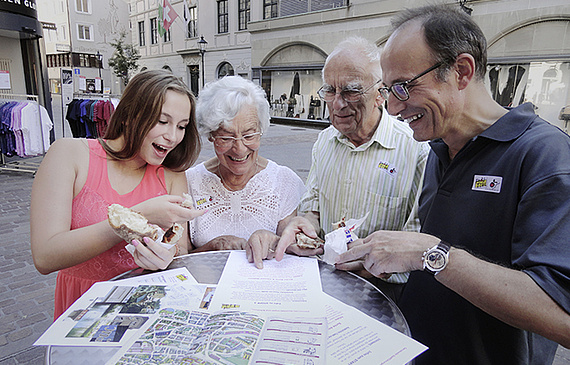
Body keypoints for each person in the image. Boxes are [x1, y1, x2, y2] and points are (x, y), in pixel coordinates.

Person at [335, 5, 570, 364]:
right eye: (388, 89)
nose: (394, 109)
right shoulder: (439, 147)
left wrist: (430, 253)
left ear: (461, 71)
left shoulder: (544, 154)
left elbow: (560, 317)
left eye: (403, 87)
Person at [31, 70, 204, 320]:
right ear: (130, 114)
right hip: (81, 307)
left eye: (182, 126)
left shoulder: (172, 174)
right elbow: (45, 256)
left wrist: (167, 254)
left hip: (147, 303)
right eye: (162, 121)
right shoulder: (69, 154)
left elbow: (181, 248)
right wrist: (135, 217)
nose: (173, 136)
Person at [276, 37, 429, 299]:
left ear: (381, 94)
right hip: (325, 279)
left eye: (350, 91)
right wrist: (306, 226)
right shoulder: (324, 141)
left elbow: (419, 237)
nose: (337, 104)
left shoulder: (415, 151)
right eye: (330, 90)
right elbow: (313, 205)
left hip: (385, 292)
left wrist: (375, 264)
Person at [184, 76, 316, 269]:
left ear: (261, 130)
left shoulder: (284, 182)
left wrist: (273, 241)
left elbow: (294, 255)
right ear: (211, 136)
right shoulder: (189, 183)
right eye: (226, 137)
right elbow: (179, 260)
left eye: (249, 135)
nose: (239, 148)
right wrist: (212, 247)